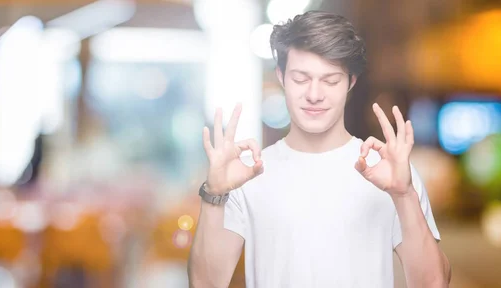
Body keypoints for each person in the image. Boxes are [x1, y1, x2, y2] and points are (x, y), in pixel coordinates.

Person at [187, 10, 451, 288]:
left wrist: (403, 194)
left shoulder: (390, 173)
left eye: (330, 80)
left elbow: (434, 284)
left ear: (351, 82)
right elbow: (204, 284)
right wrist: (214, 194)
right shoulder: (248, 174)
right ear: (281, 76)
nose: (314, 94)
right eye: (301, 79)